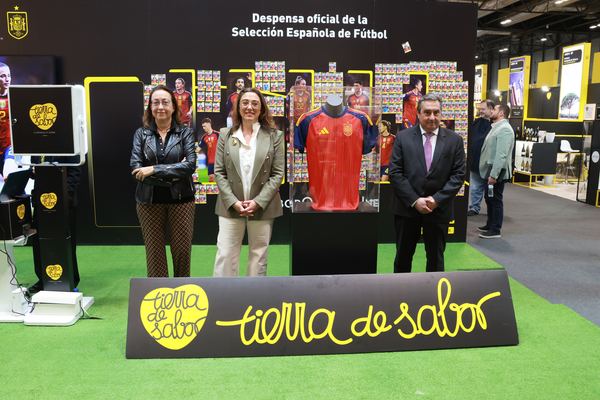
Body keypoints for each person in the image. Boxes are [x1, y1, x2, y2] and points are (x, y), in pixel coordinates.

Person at [389, 94, 465, 273]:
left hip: (438, 210)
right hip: (407, 209)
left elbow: (458, 175)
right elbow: (395, 173)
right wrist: (415, 200)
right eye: (427, 112)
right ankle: (400, 289)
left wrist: (436, 200)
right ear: (418, 114)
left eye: (436, 112)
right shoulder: (403, 138)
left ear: (441, 114)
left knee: (436, 260)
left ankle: (433, 290)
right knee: (403, 258)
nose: (432, 117)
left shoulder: (454, 140)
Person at [213, 87, 284, 277]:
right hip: (230, 206)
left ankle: (254, 294)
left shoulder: (275, 136)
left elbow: (277, 174)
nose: (249, 107)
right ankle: (224, 294)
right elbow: (219, 172)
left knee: (258, 256)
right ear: (238, 107)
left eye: (254, 103)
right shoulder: (225, 134)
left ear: (262, 108)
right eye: (245, 103)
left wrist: (258, 202)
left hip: (262, 206)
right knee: (226, 255)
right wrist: (233, 202)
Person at [130, 85, 196, 277]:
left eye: (165, 102)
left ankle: (183, 290)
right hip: (148, 202)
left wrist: (153, 170)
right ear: (150, 107)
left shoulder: (185, 133)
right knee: (155, 255)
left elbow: (190, 165)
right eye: (156, 102)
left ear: (173, 106)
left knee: (182, 253)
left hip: (182, 200)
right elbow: (135, 168)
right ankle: (158, 291)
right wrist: (173, 172)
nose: (160, 107)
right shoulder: (141, 134)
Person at [478, 104, 515, 239]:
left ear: (501, 113)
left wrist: (494, 175)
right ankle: (490, 224)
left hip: (497, 172)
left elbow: (501, 155)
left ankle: (495, 229)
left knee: (495, 200)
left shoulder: (504, 129)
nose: (491, 111)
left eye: (494, 109)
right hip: (491, 170)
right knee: (490, 198)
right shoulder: (497, 127)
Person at [467, 99, 495, 216]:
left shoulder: (496, 125)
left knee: (491, 189)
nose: (481, 111)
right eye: (479, 109)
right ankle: (474, 207)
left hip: (489, 163)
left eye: (483, 109)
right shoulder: (476, 122)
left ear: (491, 109)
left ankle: (493, 209)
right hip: (475, 161)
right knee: (475, 187)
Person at [199, 117, 219, 182]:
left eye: (204, 126)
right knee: (211, 179)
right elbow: (198, 148)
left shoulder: (217, 134)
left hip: (219, 162)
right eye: (202, 126)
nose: (203, 128)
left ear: (209, 124)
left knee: (220, 180)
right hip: (210, 162)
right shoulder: (204, 137)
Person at [0, 62, 12, 174]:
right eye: (3, 76)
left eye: (9, 75)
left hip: (10, 147)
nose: (7, 79)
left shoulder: (15, 97)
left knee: (8, 175)